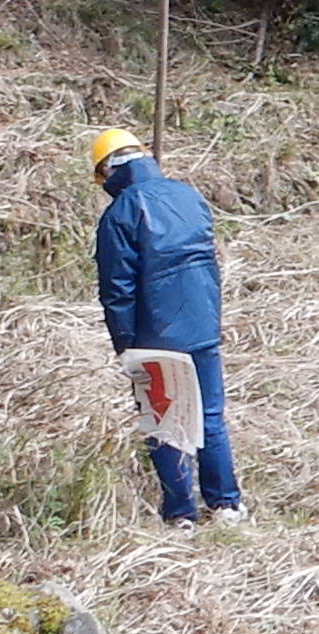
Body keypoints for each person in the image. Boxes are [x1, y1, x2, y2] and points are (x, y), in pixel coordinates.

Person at [93, 125, 244, 532]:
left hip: (155, 335)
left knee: (165, 421)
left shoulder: (120, 214)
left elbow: (117, 291)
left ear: (108, 171)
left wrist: (125, 344)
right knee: (210, 415)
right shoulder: (189, 196)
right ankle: (226, 505)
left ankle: (181, 513)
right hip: (204, 325)